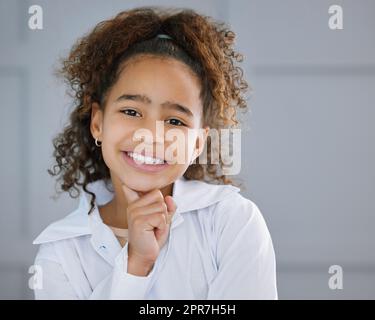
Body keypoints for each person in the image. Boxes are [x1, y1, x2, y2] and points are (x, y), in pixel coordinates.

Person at [32, 6, 278, 299]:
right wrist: (135, 265)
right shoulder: (60, 253)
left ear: (198, 143)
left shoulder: (233, 222)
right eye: (131, 111)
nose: (150, 136)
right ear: (97, 123)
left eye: (175, 121)